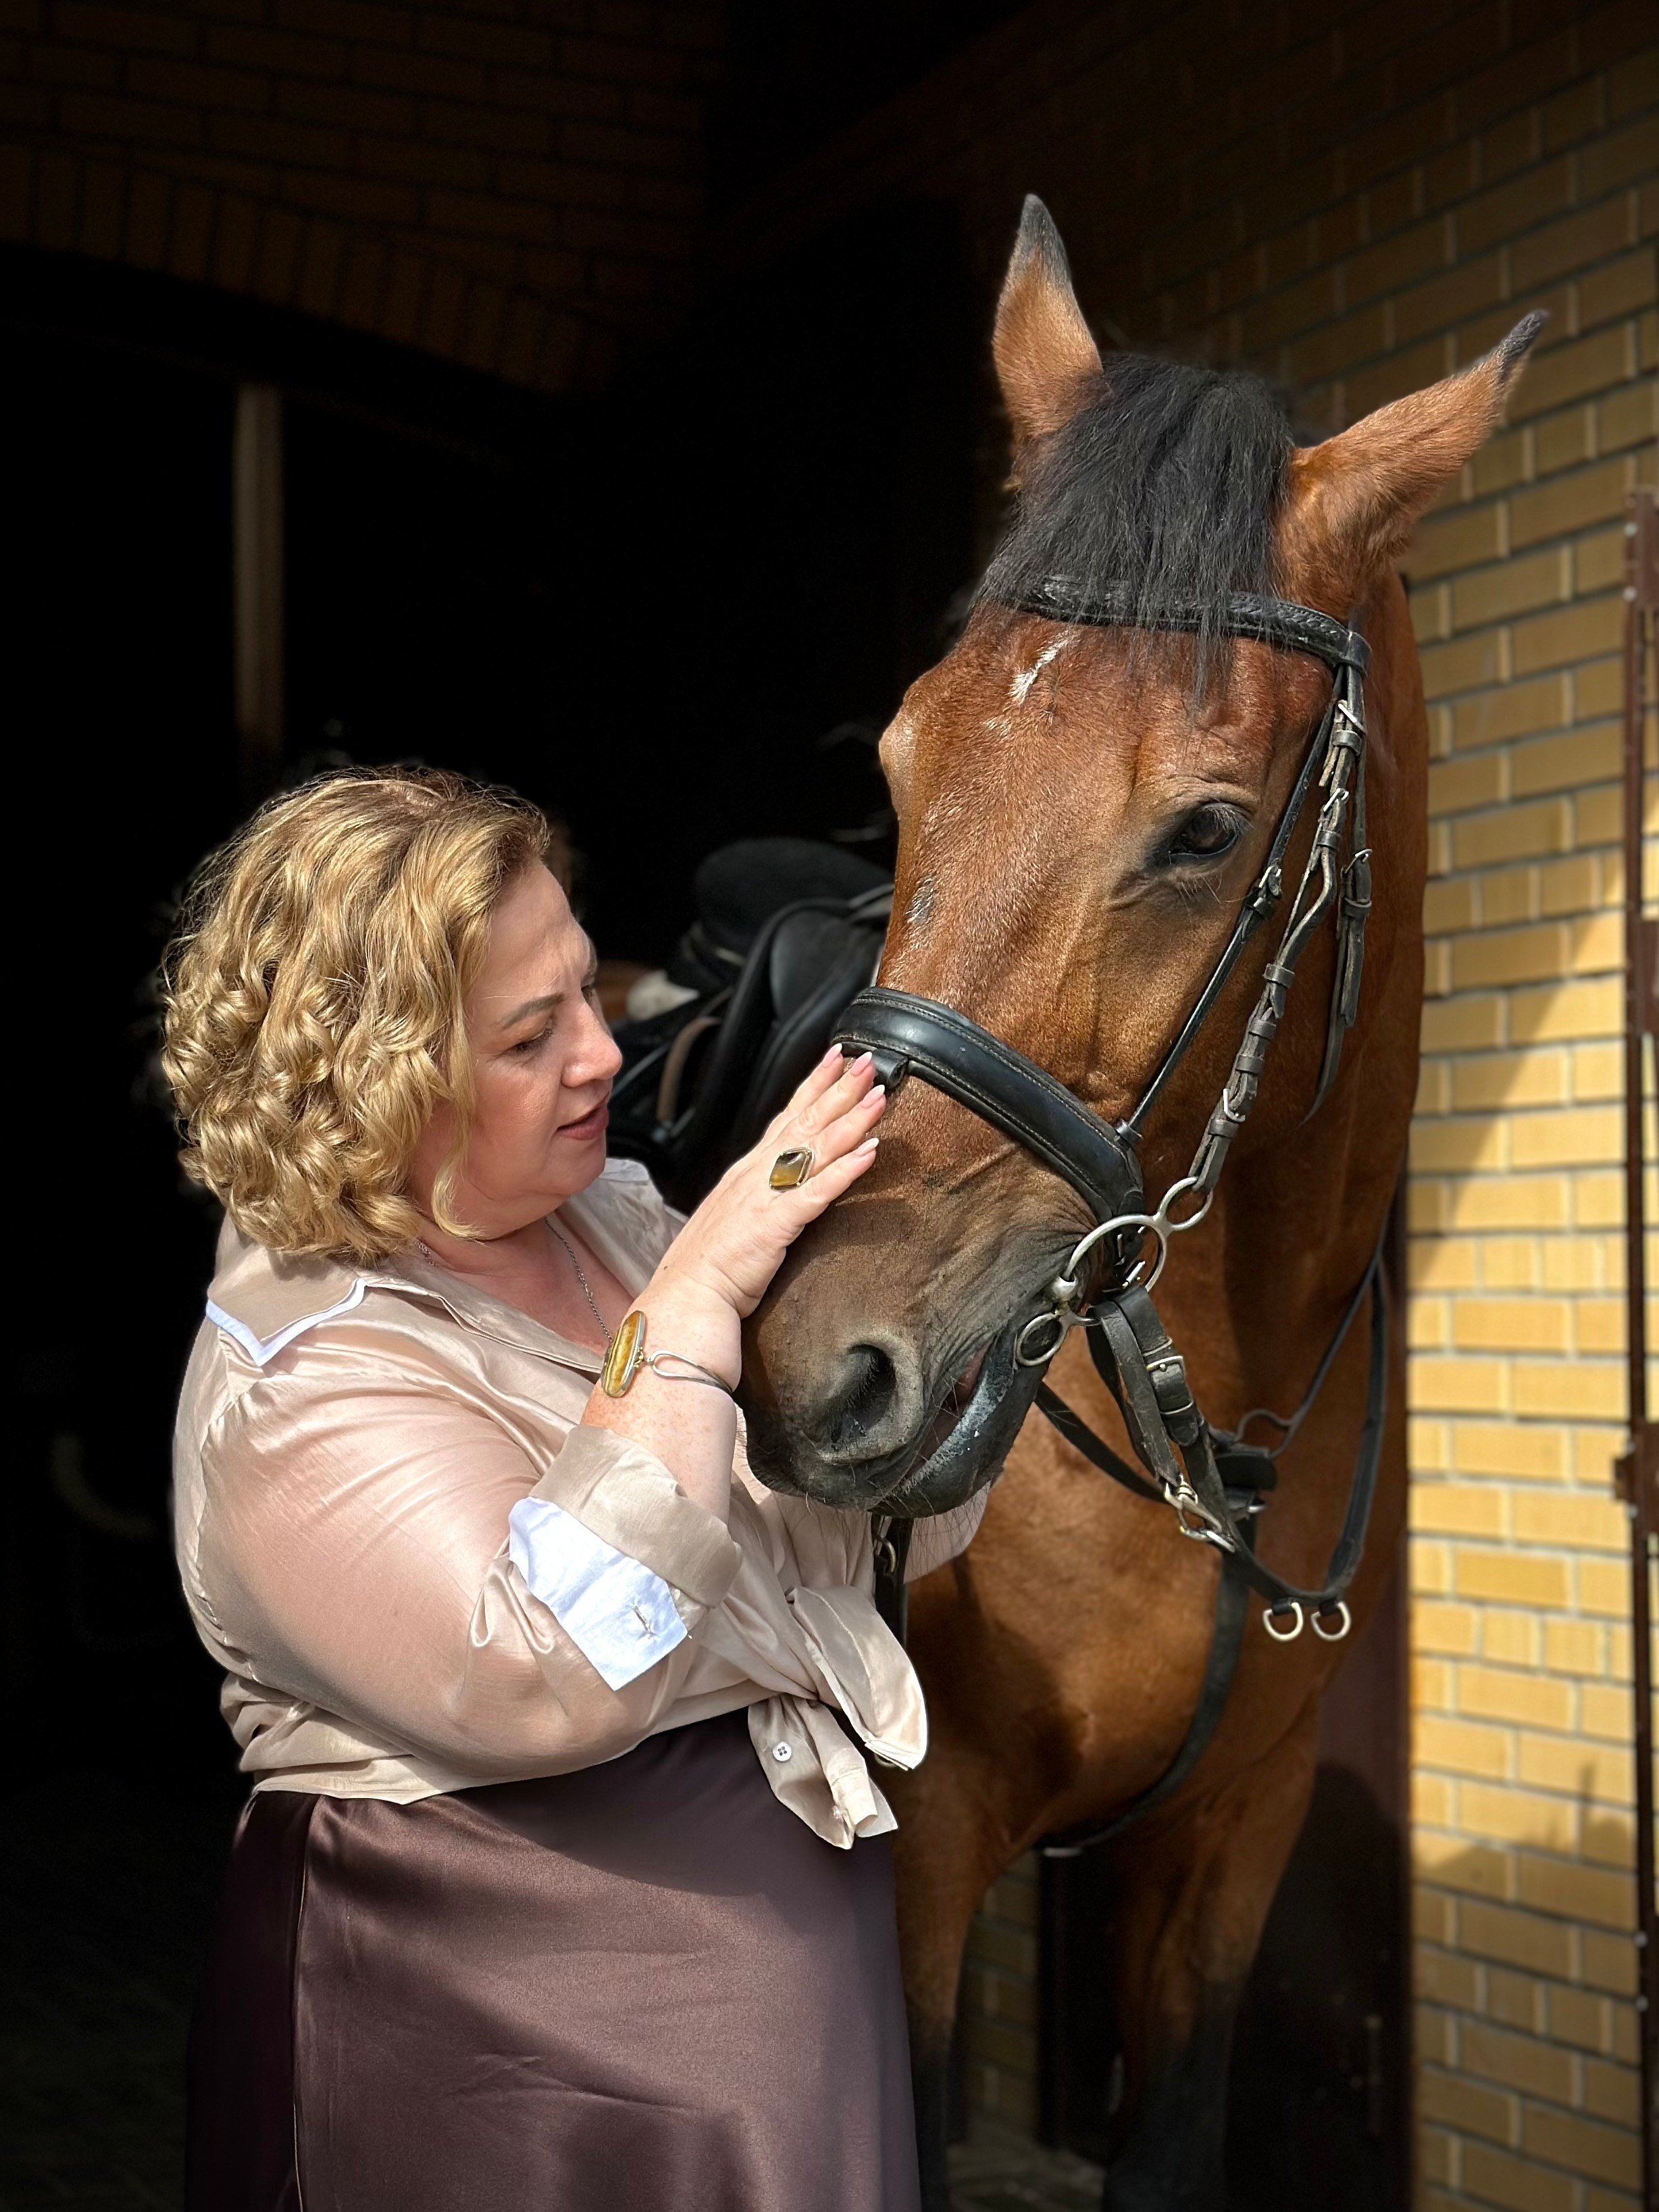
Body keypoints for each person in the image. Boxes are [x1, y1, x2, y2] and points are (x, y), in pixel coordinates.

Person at [161, 767, 981, 2211]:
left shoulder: (609, 1218)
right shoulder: (301, 1380)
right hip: (498, 2060)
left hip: (774, 2033)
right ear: (379, 1075)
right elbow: (556, 1670)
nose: (603, 1055)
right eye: (532, 1036)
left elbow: (830, 1538)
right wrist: (694, 1309)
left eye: (589, 995)